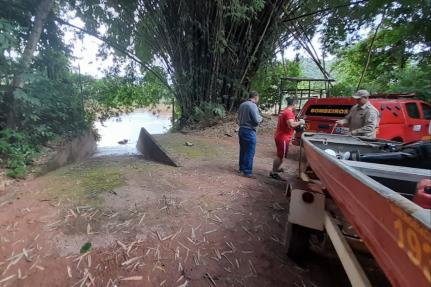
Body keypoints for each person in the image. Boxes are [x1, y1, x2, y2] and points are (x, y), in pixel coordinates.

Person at [270, 98, 304, 181]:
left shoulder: (284, 111)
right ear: (294, 104)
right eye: (296, 104)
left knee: (280, 155)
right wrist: (301, 122)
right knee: (280, 156)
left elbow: (289, 124)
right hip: (283, 137)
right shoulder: (288, 112)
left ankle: (275, 169)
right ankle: (274, 172)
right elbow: (292, 124)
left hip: (280, 135)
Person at [237, 91, 263, 178]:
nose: (258, 100)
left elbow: (238, 118)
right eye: (258, 98)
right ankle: (247, 171)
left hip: (241, 129)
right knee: (250, 151)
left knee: (243, 150)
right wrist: (261, 118)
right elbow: (256, 120)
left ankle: (241, 168)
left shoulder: (242, 104)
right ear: (255, 97)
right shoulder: (253, 105)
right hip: (249, 130)